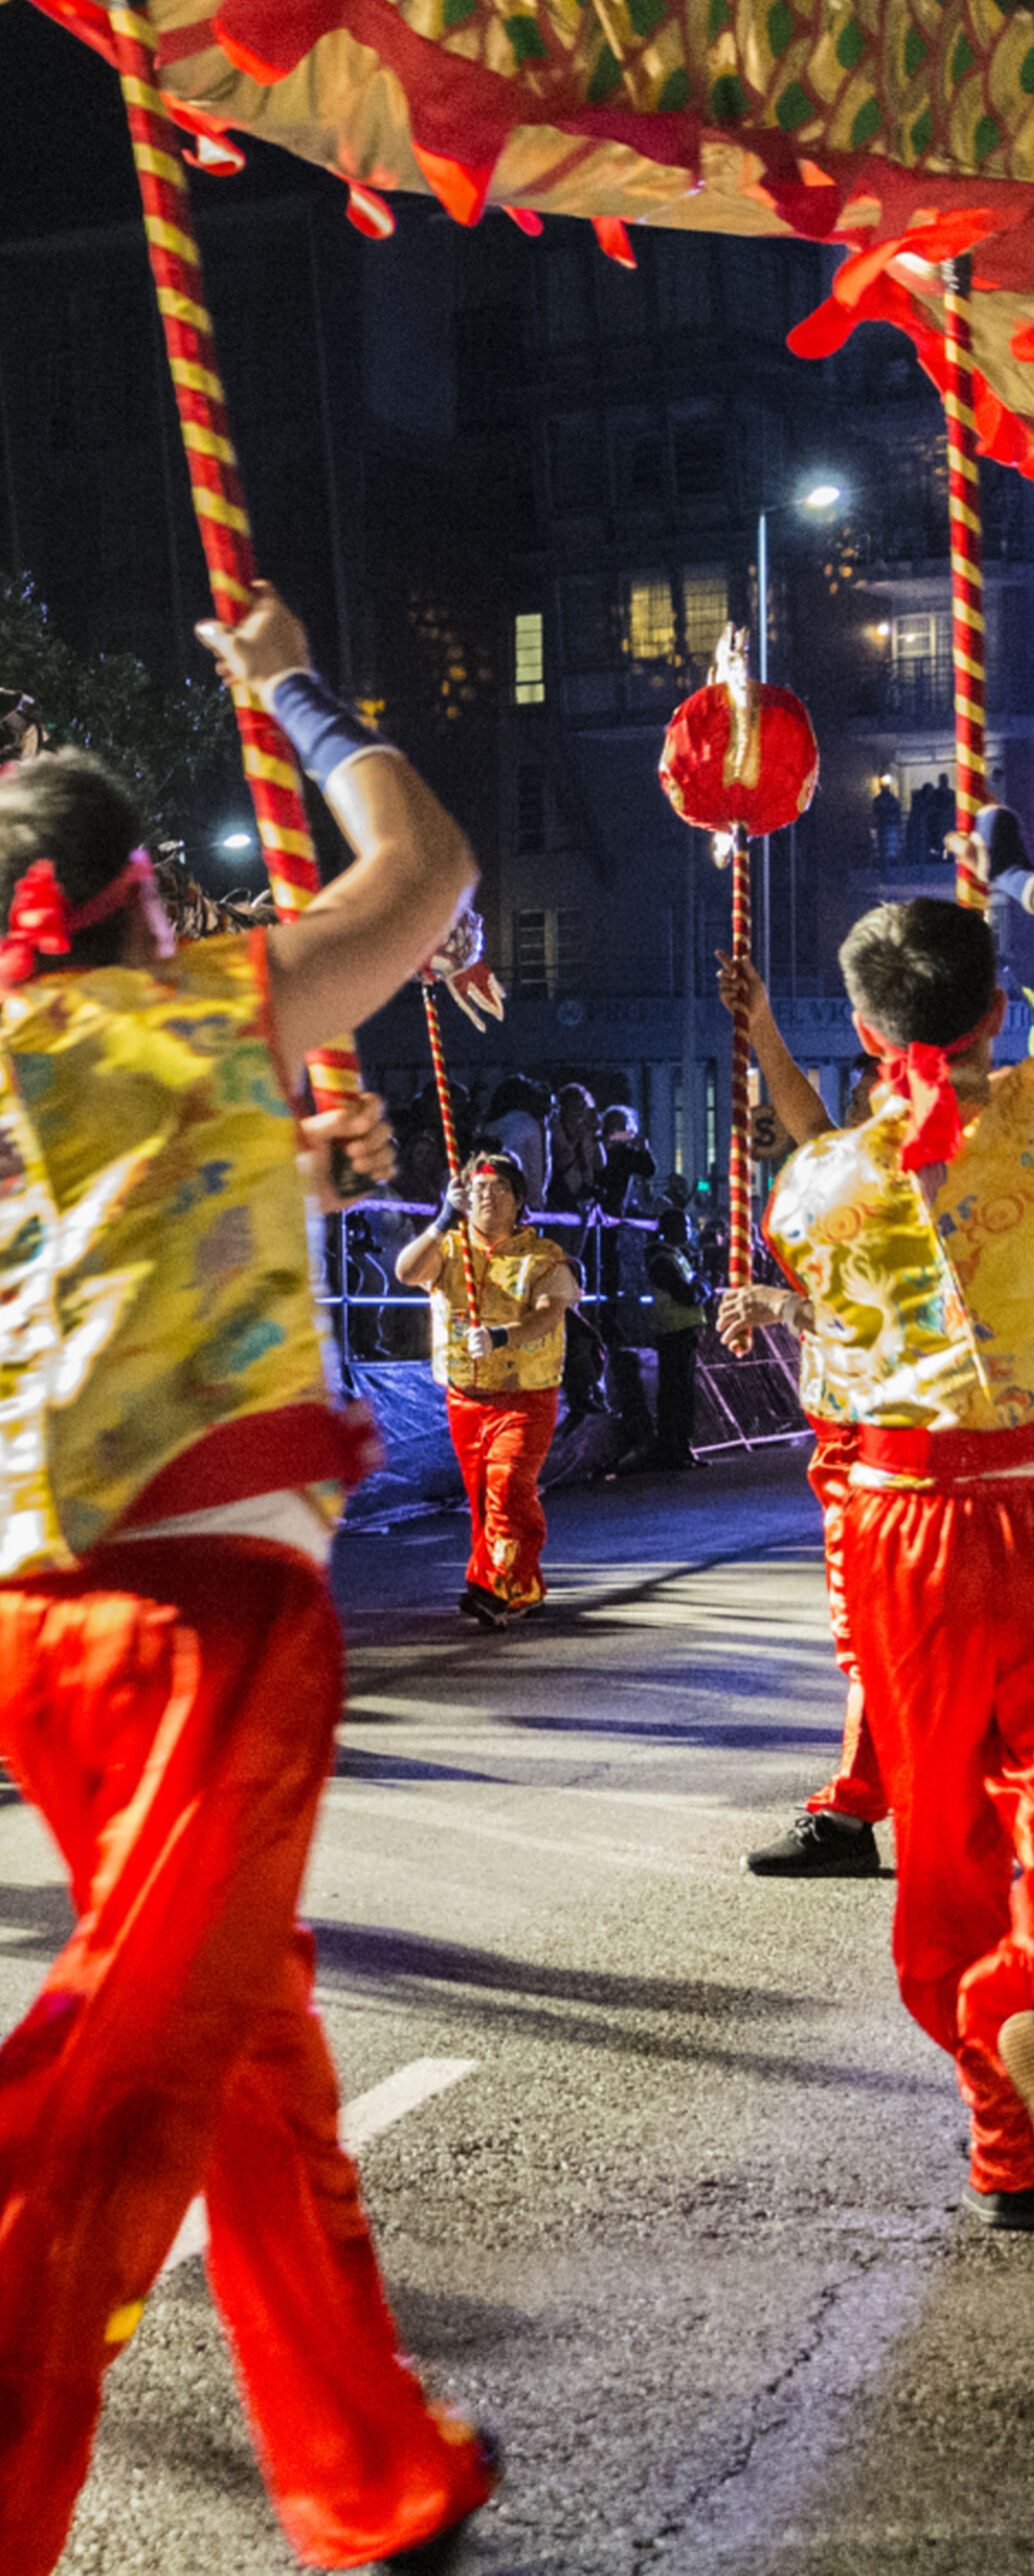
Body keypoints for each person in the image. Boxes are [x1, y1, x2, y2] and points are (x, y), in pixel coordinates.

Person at [0, 582, 497, 2575]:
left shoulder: (86, 1051)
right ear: (144, 892)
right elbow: (430, 870)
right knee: (128, 2077)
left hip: (40, 1616)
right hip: (212, 1622)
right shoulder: (201, 1006)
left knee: (245, 2044)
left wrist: (290, 1171)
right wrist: (286, 686)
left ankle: (370, 2468)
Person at [763, 818, 1034, 2233]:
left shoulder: (811, 1192)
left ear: (865, 1029)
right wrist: (1020, 878)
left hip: (898, 1530)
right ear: (1000, 1012)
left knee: (940, 1833)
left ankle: (1006, 2147)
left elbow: (829, 1219)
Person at [712, 951, 889, 1875]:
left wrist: (778, 1305)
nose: (847, 1107)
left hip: (889, 1443)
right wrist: (765, 1022)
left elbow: (891, 1313)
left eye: (869, 1088)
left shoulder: (908, 1182)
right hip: (852, 1433)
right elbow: (805, 1120)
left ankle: (858, 1808)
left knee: (873, 1630)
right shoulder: (854, 1164)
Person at [396, 1150, 580, 1626]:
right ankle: (523, 1583)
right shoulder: (450, 1248)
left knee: (506, 1485)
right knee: (484, 1499)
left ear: (519, 1200)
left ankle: (492, 1588)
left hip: (525, 1396)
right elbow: (406, 1272)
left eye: (499, 1190)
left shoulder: (542, 1256)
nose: (487, 1197)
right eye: (478, 1189)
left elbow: (549, 1310)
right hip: (465, 1395)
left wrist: (502, 1336)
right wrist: (440, 1219)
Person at [638, 1203, 707, 1472]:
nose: (688, 1232)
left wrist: (700, 1287)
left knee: (683, 1392)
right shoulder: (662, 1260)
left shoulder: (676, 1256)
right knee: (674, 1393)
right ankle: (672, 1448)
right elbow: (687, 1293)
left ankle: (681, 1447)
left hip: (683, 1329)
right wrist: (702, 1288)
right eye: (685, 1226)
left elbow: (696, 1287)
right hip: (672, 1330)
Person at [483, 1073, 550, 1212]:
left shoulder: (490, 1125)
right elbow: (534, 1164)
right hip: (520, 1199)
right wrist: (535, 1199)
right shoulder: (527, 1124)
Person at [547, 1082, 603, 1215]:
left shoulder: (586, 1134)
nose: (578, 1113)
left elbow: (600, 1164)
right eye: (574, 1106)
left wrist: (596, 1134)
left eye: (582, 1107)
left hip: (583, 1198)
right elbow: (562, 1157)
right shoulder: (554, 1132)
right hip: (558, 1197)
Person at [598, 1103, 656, 1217]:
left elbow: (649, 1170)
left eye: (619, 1127)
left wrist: (644, 1149)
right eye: (611, 1125)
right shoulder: (595, 1146)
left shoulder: (627, 1154)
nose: (614, 1130)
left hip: (615, 1210)